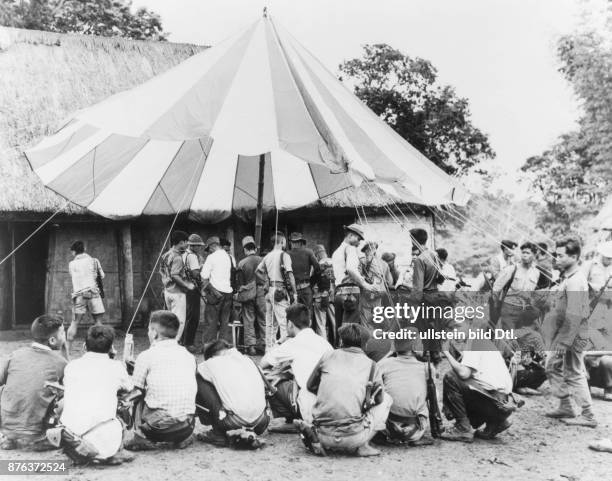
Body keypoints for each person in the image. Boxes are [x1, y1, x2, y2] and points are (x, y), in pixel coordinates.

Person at [306, 324, 392, 456]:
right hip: (354, 437)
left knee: (304, 393)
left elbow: (310, 386)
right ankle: (363, 445)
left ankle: (312, 429)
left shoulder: (327, 356)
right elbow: (379, 399)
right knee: (387, 399)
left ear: (341, 341)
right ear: (365, 345)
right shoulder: (371, 365)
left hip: (323, 435)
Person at [58, 325, 134, 465]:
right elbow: (129, 388)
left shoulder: (71, 366)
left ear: (84, 346)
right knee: (125, 401)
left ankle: (84, 450)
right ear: (111, 348)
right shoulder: (116, 367)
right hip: (105, 442)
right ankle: (115, 449)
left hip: (71, 438)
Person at [125, 311, 197, 451]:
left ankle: (140, 437)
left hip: (158, 429)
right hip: (187, 426)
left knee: (137, 391)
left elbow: (136, 391)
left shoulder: (146, 356)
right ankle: (182, 437)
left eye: (148, 329)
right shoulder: (189, 356)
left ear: (154, 333)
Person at [544, 238, 596, 427]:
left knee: (573, 372)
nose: (556, 258)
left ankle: (588, 415)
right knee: (552, 366)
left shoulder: (575, 281)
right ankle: (566, 405)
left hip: (572, 334)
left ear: (574, 257)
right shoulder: (568, 278)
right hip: (565, 333)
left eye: (560, 255)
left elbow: (573, 315)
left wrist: (563, 342)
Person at [441, 320, 516, 442]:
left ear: (469, 325)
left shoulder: (474, 341)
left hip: (496, 404)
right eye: (452, 328)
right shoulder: (480, 339)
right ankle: (496, 422)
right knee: (468, 381)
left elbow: (464, 374)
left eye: (458, 327)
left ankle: (463, 429)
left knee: (451, 377)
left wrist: (445, 353)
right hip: (503, 403)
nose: (455, 331)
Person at [0, 315, 67, 450]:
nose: (64, 336)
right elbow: (70, 381)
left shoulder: (15, 355)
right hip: (36, 433)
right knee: (67, 396)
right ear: (52, 340)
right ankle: (45, 437)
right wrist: (65, 349)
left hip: (7, 428)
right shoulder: (60, 362)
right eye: (63, 333)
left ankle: (9, 436)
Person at [261, 303, 332, 424]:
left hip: (310, 409)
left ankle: (293, 420)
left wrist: (279, 341)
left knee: (268, 378)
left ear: (289, 324)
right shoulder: (325, 343)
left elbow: (263, 363)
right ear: (309, 322)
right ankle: (296, 420)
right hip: (331, 406)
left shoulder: (292, 344)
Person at [195, 340, 268, 448]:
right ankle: (246, 432)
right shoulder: (248, 360)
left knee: (198, 377)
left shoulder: (210, 363)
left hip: (233, 422)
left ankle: (218, 433)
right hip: (262, 422)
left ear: (211, 355)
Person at [376, 332, 429, 444]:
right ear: (414, 347)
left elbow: (373, 369)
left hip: (387, 428)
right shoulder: (426, 368)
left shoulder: (385, 364)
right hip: (415, 432)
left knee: (378, 389)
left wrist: (390, 353)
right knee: (433, 392)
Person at [256, 232, 297, 350]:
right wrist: (294, 293)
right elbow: (290, 275)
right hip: (280, 291)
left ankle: (269, 350)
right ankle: (285, 351)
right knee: (284, 324)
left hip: (269, 291)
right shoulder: (284, 255)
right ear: (282, 242)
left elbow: (257, 271)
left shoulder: (267, 256)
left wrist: (266, 281)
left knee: (270, 325)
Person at [331, 224, 374, 337]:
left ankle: (339, 350)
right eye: (358, 238)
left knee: (339, 328)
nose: (359, 242)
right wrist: (364, 284)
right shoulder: (350, 249)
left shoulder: (336, 252)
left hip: (338, 293)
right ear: (350, 236)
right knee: (350, 330)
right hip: (350, 293)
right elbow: (350, 269)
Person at [67, 240, 105, 356]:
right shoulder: (94, 261)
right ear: (85, 249)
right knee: (98, 322)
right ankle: (103, 348)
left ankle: (67, 350)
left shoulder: (71, 264)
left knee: (74, 323)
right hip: (93, 293)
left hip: (79, 295)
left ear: (74, 252)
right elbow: (102, 276)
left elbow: (73, 276)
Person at [492, 242, 542, 330]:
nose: (524, 255)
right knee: (507, 337)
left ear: (534, 255)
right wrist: (496, 306)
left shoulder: (536, 273)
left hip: (524, 311)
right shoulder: (511, 269)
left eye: (528, 253)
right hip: (509, 308)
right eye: (523, 252)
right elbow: (496, 288)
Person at [160, 230, 195, 341]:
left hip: (167, 291)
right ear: (181, 242)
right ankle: (174, 343)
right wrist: (187, 285)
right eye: (186, 243)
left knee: (170, 320)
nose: (187, 245)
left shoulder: (166, 254)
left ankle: (168, 342)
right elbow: (175, 275)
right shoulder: (178, 257)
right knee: (179, 321)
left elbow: (162, 271)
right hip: (177, 293)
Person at [201, 236, 234, 345]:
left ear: (212, 246)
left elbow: (204, 276)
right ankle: (222, 347)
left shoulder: (211, 257)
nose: (208, 251)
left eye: (209, 249)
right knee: (225, 322)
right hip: (228, 293)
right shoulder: (229, 257)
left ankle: (209, 346)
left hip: (215, 293)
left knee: (211, 322)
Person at [236, 236, 266, 355]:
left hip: (248, 293)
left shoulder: (242, 263)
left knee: (248, 319)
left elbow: (240, 282)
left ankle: (251, 347)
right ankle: (264, 344)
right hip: (261, 291)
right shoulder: (263, 260)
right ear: (255, 248)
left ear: (245, 249)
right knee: (263, 319)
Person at [359, 241, 392, 331]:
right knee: (377, 320)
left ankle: (368, 341)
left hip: (366, 296)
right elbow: (389, 282)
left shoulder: (362, 262)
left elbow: (357, 279)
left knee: (366, 321)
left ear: (366, 251)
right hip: (379, 295)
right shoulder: (384, 264)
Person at [288, 232, 320, 320]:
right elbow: (318, 269)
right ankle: (307, 332)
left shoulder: (287, 254)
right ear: (301, 242)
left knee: (294, 315)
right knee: (307, 314)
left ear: (291, 242)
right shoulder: (308, 252)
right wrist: (311, 282)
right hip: (306, 288)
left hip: (293, 290)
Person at [181, 234, 205, 352]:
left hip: (185, 286)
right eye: (198, 246)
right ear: (193, 246)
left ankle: (183, 340)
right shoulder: (192, 256)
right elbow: (196, 273)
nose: (200, 248)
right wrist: (202, 267)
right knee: (194, 316)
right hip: (193, 287)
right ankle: (189, 343)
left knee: (187, 315)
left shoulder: (184, 254)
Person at [311, 244, 335, 342]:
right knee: (334, 321)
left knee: (321, 324)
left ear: (316, 254)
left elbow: (312, 281)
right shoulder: (333, 262)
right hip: (331, 297)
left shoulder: (316, 265)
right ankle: (338, 343)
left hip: (319, 297)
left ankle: (324, 346)